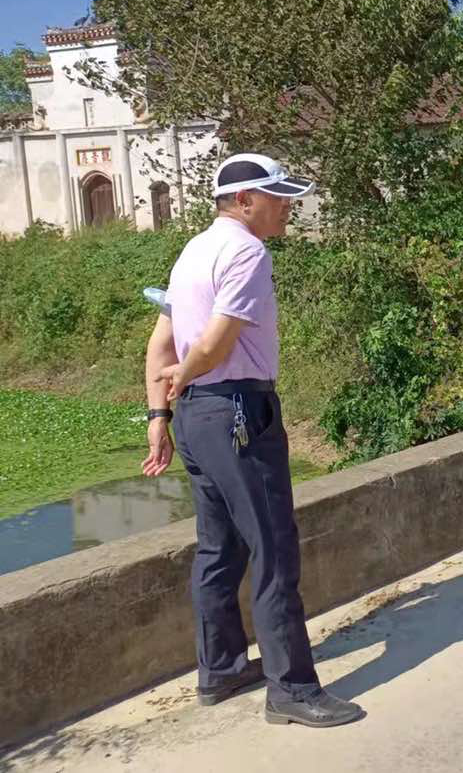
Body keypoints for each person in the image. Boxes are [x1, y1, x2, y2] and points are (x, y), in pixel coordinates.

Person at [141, 152, 363, 728]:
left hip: (196, 418)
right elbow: (213, 344)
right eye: (279, 197)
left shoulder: (192, 250)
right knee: (272, 547)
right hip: (237, 409)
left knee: (219, 547)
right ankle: (291, 689)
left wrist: (160, 414)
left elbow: (160, 342)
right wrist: (187, 373)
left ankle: (220, 669)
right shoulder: (247, 252)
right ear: (245, 201)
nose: (288, 207)